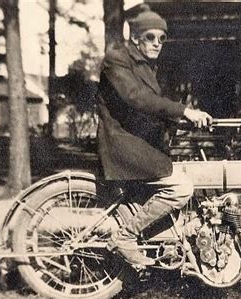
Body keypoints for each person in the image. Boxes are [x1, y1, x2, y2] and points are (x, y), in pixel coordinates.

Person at [96, 6, 212, 266]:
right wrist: (184, 110)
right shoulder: (117, 60)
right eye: (150, 37)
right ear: (135, 37)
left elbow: (151, 109)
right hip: (122, 144)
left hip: (138, 142)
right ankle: (125, 237)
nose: (157, 43)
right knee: (182, 188)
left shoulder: (147, 67)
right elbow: (137, 98)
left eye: (162, 38)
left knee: (185, 173)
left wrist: (181, 123)